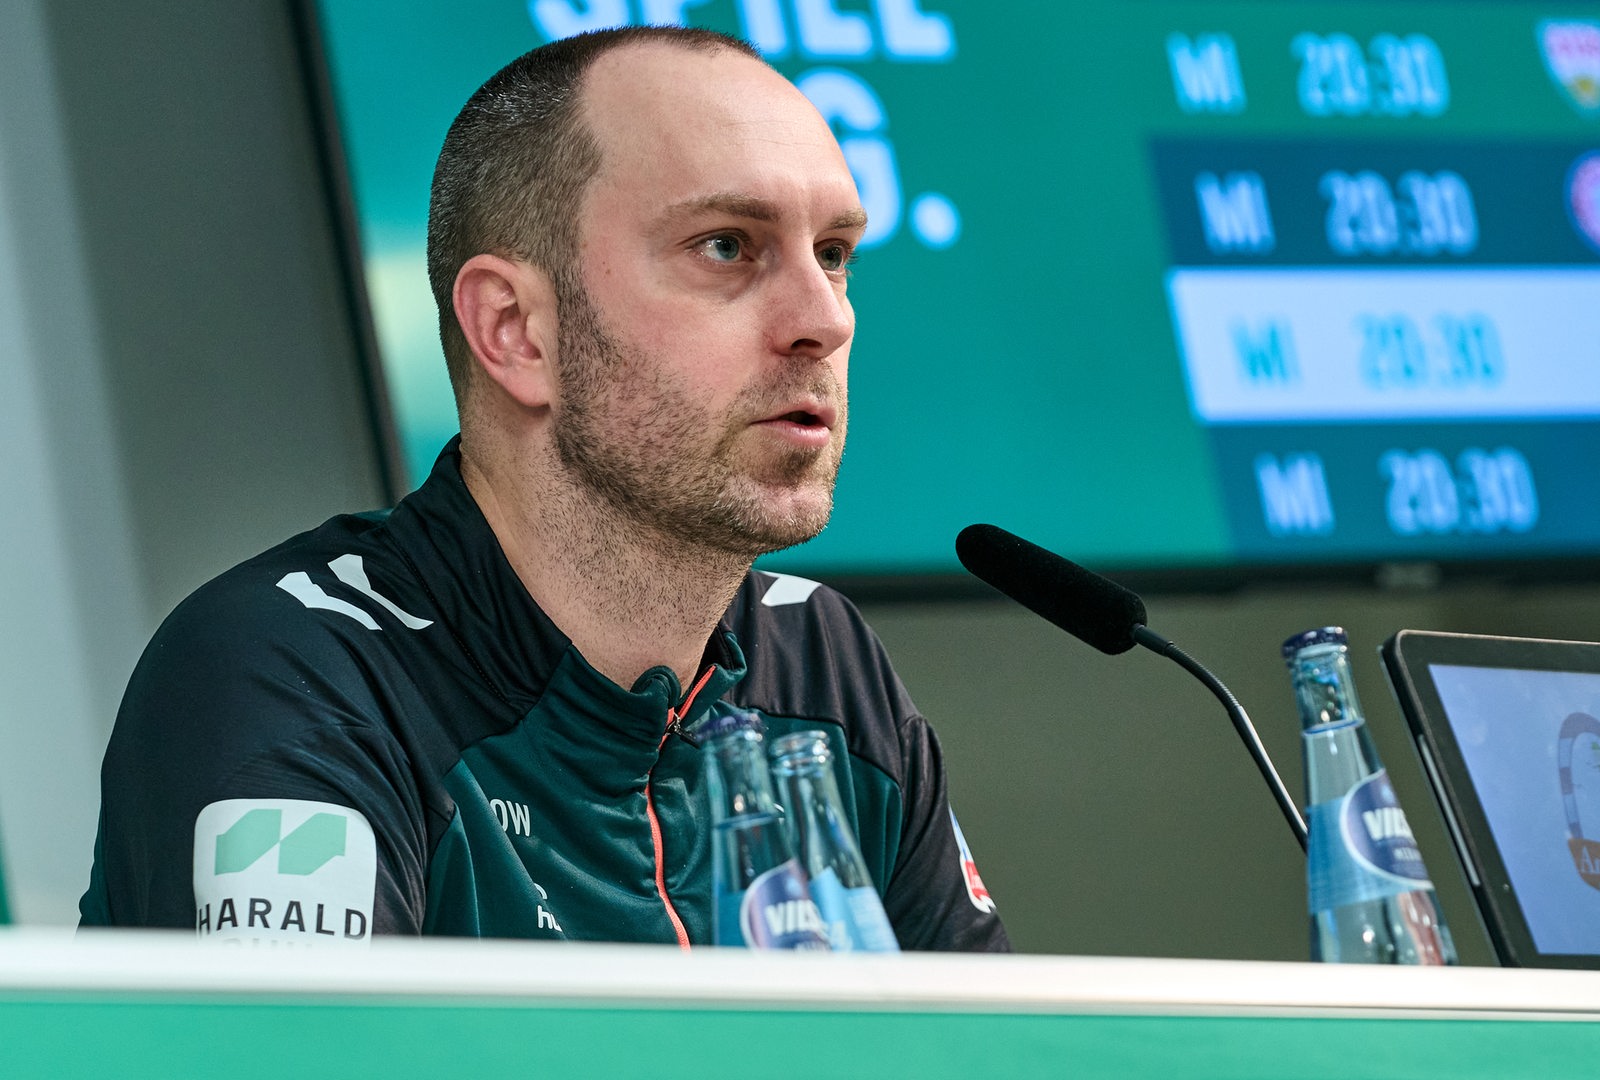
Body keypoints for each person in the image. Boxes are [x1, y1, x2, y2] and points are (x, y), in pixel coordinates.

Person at [78, 26, 1008, 951]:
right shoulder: (290, 669)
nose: (824, 319)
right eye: (728, 246)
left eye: (836, 254)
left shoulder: (824, 669)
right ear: (517, 329)